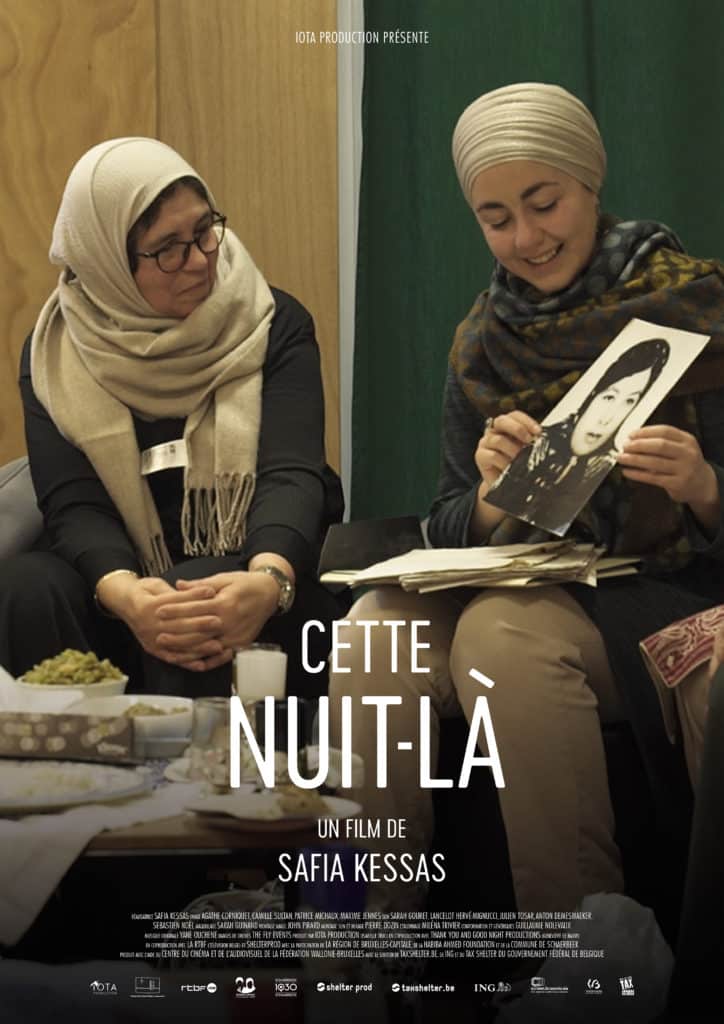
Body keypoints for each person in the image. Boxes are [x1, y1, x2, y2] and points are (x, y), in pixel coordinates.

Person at [329, 83, 724, 915]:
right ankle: (369, 943)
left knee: (503, 637)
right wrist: (492, 497)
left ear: (590, 183)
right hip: (526, 577)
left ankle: (578, 949)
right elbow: (448, 518)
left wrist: (705, 486)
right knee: (373, 630)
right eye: (496, 218)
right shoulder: (485, 340)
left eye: (544, 205)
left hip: (660, 593)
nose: (526, 238)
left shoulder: (696, 309)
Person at [0, 137, 343, 698]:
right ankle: (73, 753)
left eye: (205, 230)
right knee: (24, 587)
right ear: (108, 262)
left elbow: (291, 474)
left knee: (197, 592)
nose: (201, 259)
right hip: (118, 590)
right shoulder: (54, 352)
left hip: (259, 586)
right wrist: (126, 592)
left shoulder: (271, 321)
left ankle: (206, 761)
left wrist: (269, 579)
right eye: (168, 249)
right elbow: (73, 504)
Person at [488, 337, 670, 533]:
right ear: (591, 395)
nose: (606, 419)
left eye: (629, 402)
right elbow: (463, 526)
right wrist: (494, 485)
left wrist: (696, 489)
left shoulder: (612, 461)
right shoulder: (538, 445)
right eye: (609, 397)